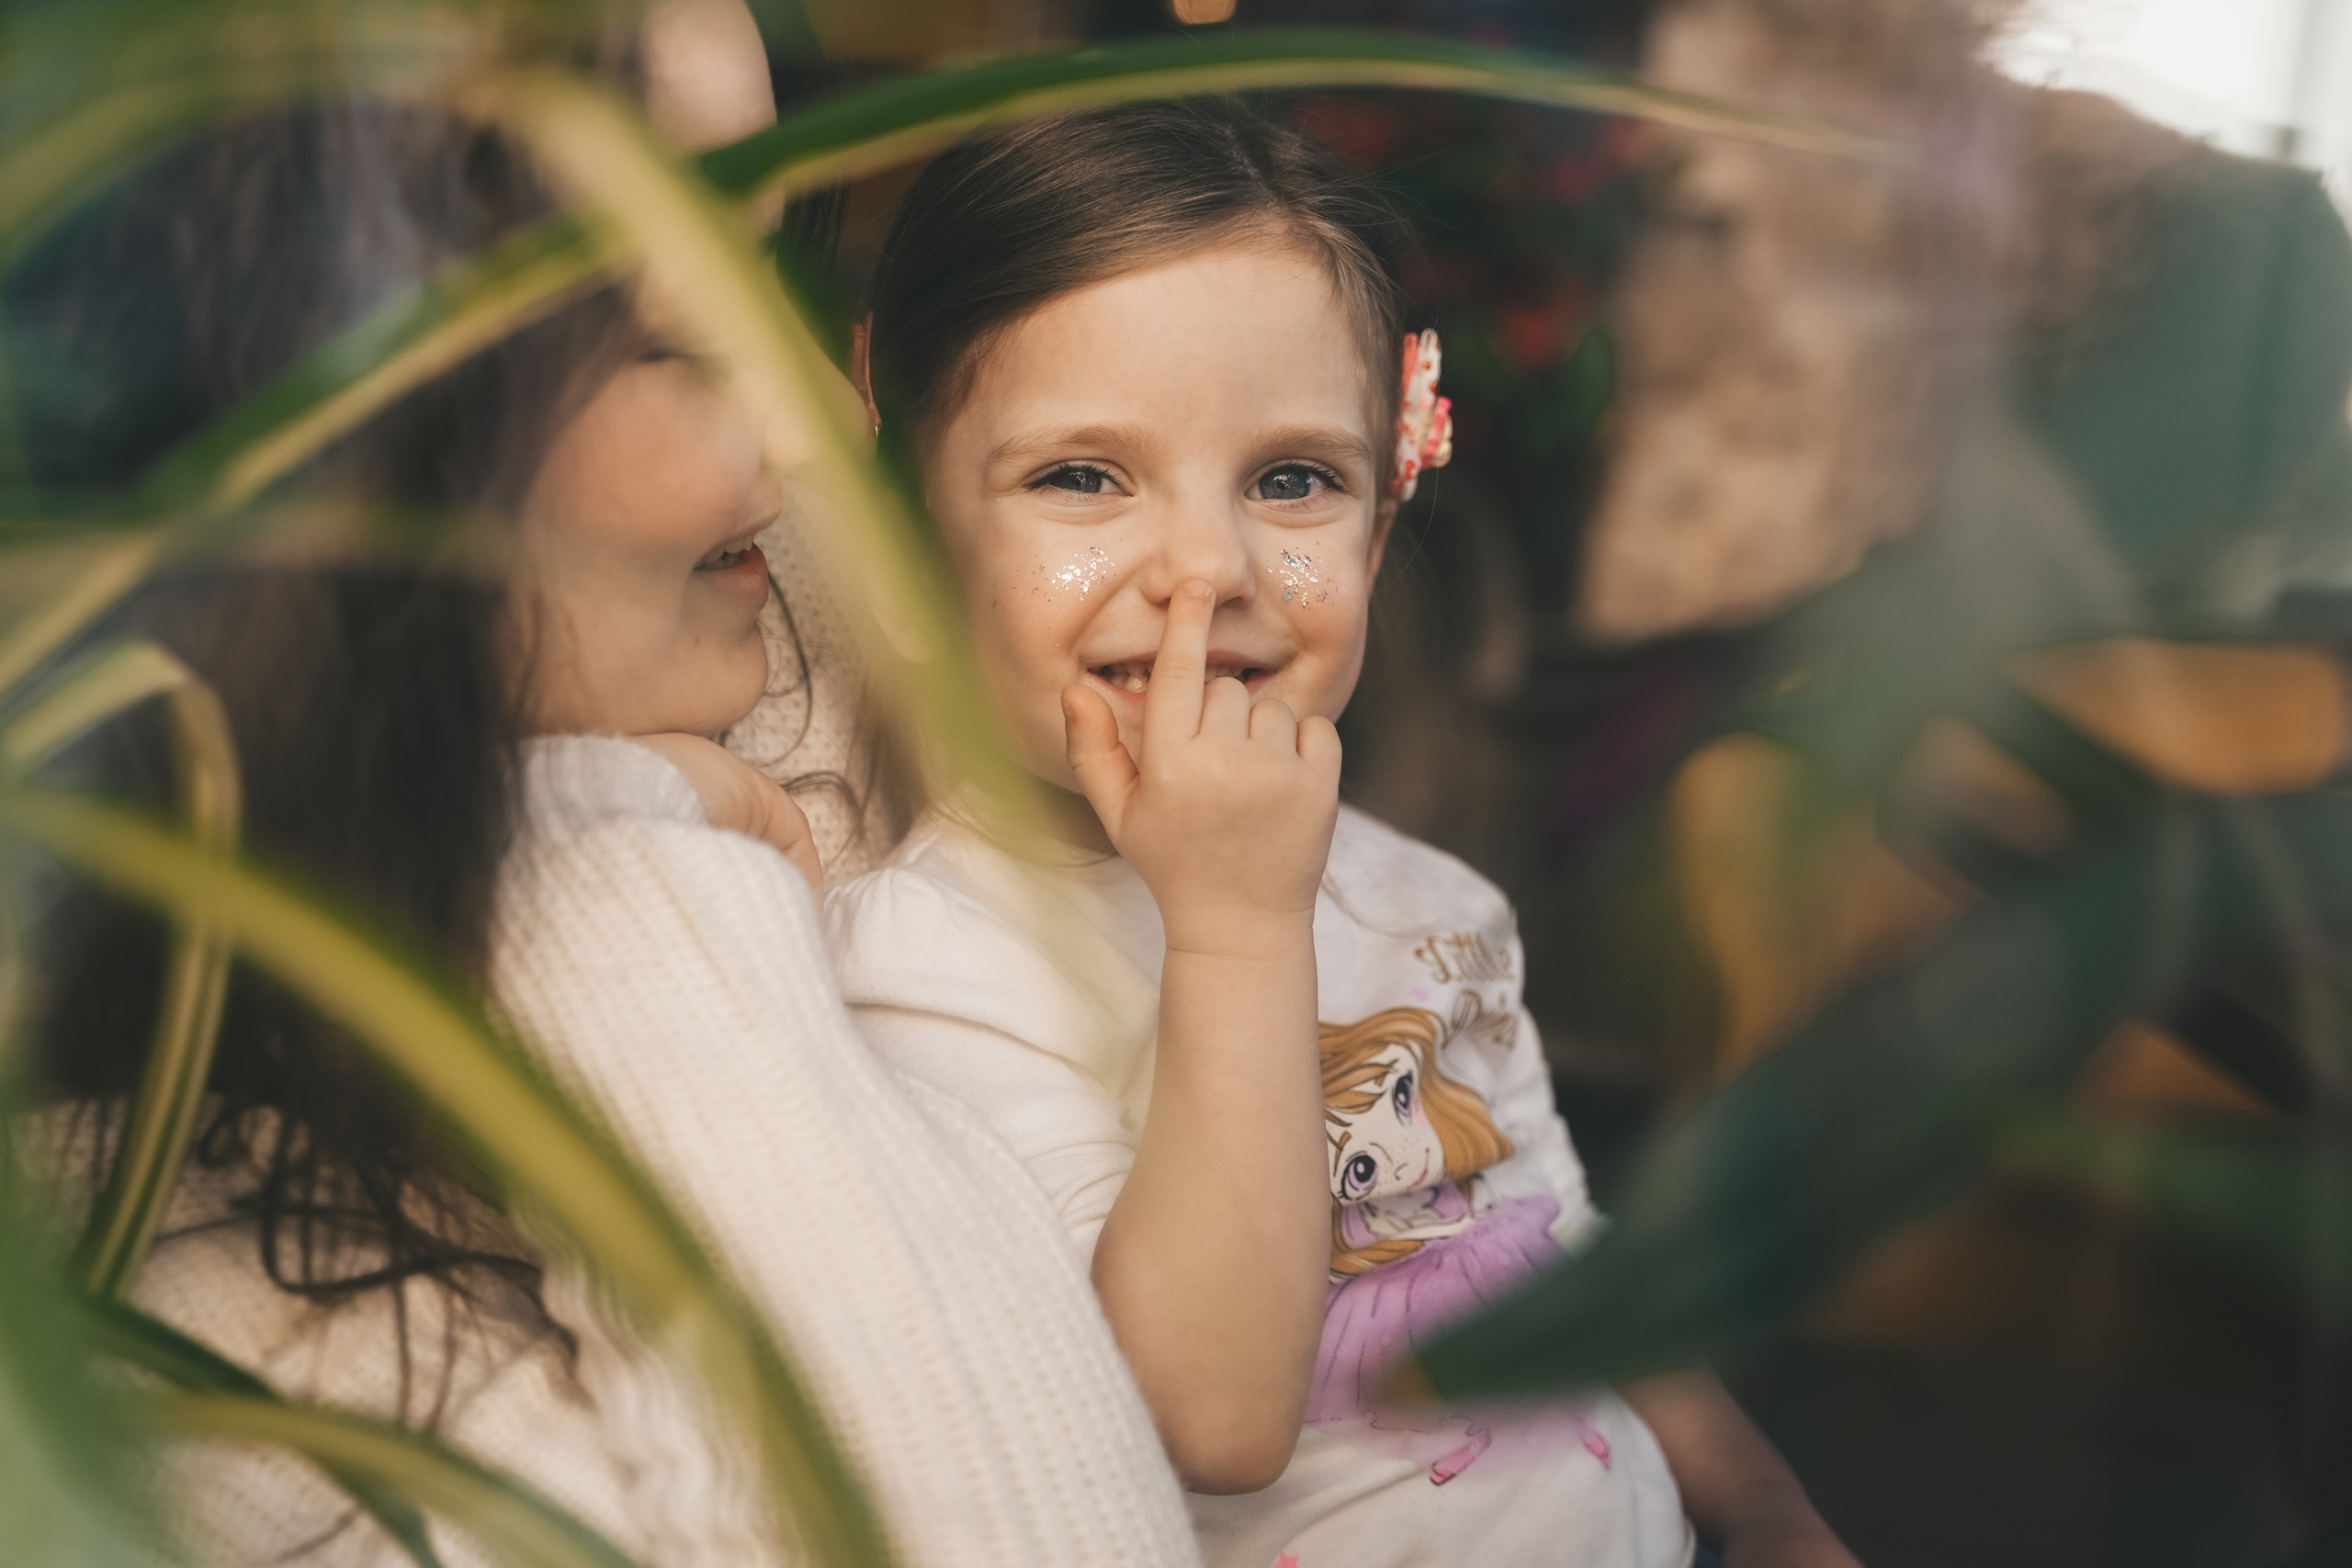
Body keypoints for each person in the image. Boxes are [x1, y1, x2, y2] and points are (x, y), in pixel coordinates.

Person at [10, 17, 1199, 1567]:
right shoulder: (204, 1385)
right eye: (676, 333)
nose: (822, 425)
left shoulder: (767, 600)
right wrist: (590, 858)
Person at [823, 101, 1860, 1568]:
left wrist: (1768, 1512)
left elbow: (1560, 1265)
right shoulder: (928, 970)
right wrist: (1237, 923)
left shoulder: (1434, 903)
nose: (1208, 567)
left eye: (1293, 479)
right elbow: (1206, 1419)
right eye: (1080, 476)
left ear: (1377, 531)